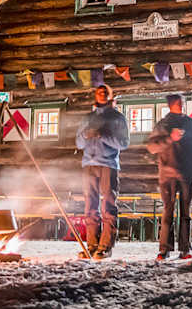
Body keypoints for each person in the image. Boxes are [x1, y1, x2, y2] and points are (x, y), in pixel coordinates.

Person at [75, 83, 129, 260]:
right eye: (99, 92)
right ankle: (91, 245)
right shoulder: (88, 118)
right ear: (95, 96)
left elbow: (123, 143)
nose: (102, 94)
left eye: (105, 92)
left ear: (110, 96)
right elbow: (78, 143)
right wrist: (85, 135)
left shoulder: (117, 118)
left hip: (108, 164)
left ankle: (105, 246)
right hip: (88, 164)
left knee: (108, 205)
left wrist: (101, 135)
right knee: (90, 205)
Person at [146, 94, 192, 261]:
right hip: (168, 176)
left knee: (186, 213)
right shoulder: (163, 125)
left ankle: (185, 249)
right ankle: (164, 249)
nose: (181, 105)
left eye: (182, 102)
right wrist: (170, 138)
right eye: (178, 103)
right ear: (171, 105)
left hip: (187, 175)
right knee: (168, 213)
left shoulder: (189, 123)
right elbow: (151, 147)